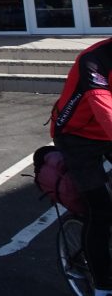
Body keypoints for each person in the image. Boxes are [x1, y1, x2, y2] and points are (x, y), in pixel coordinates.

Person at [51, 36, 112, 296]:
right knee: (101, 212)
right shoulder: (95, 60)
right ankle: (102, 285)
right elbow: (105, 109)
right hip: (78, 137)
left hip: (105, 133)